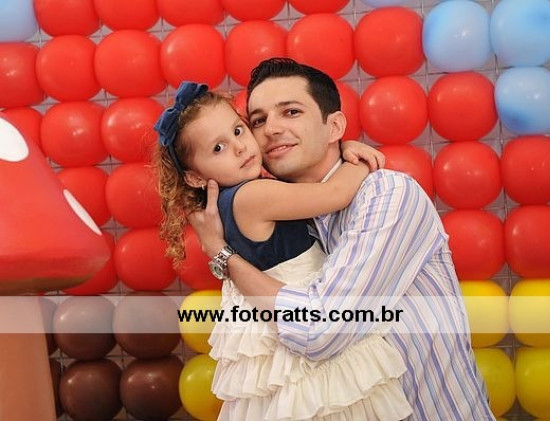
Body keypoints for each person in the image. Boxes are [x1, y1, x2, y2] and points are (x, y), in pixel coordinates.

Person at [189, 58, 496, 420]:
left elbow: (320, 329)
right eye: (257, 120)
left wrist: (222, 255)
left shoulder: (387, 195)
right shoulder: (276, 210)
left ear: (334, 125)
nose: (271, 129)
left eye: (291, 112)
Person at [153, 82, 414, 420]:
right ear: (195, 177)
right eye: (218, 148)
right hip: (305, 333)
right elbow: (334, 193)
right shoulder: (253, 196)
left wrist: (338, 144)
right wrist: (358, 159)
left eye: (238, 130)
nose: (239, 147)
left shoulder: (237, 200)